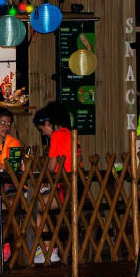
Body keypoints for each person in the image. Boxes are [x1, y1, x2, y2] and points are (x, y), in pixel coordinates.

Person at [31, 101, 79, 265]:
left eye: (42, 128)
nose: (43, 132)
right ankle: (47, 247)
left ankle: (47, 248)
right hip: (74, 189)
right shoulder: (71, 134)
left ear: (48, 122)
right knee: (39, 202)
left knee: (33, 205)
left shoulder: (57, 135)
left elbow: (51, 167)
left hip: (62, 192)